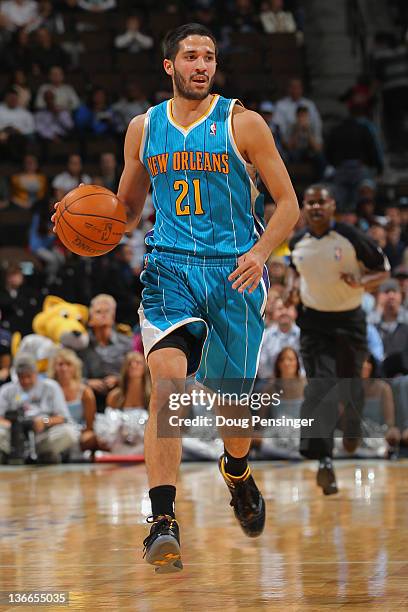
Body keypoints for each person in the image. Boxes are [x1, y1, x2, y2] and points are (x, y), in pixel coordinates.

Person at [59, 22, 298, 572]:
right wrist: (80, 225)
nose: (201, 65)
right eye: (191, 56)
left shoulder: (244, 123)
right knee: (168, 383)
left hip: (236, 271)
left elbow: (286, 203)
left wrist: (261, 254)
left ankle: (236, 471)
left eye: (209, 57)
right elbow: (124, 209)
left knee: (232, 414)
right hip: (169, 268)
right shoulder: (143, 129)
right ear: (169, 66)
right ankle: (162, 520)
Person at [289, 184, 389, 495]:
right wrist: (294, 288)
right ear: (304, 207)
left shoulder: (351, 237)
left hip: (349, 320)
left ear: (332, 205)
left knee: (351, 384)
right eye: (310, 202)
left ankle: (352, 426)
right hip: (315, 322)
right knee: (322, 386)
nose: (315, 207)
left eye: (321, 202)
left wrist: (362, 280)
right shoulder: (296, 242)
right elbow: (297, 270)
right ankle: (324, 461)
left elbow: (382, 270)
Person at [0, 353, 78, 464]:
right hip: (13, 437)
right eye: (21, 377)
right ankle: (10, 454)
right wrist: (13, 425)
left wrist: (44, 421)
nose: (25, 381)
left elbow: (62, 417)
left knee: (69, 433)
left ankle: (44, 454)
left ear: (36, 373)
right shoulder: (7, 390)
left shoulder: (51, 387)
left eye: (29, 376)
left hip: (42, 434)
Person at [49, 348, 105, 452]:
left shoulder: (85, 391)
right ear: (54, 368)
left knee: (90, 438)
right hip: (57, 432)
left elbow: (89, 426)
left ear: (75, 368)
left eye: (68, 364)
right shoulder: (49, 390)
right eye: (60, 364)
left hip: (78, 434)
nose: (64, 368)